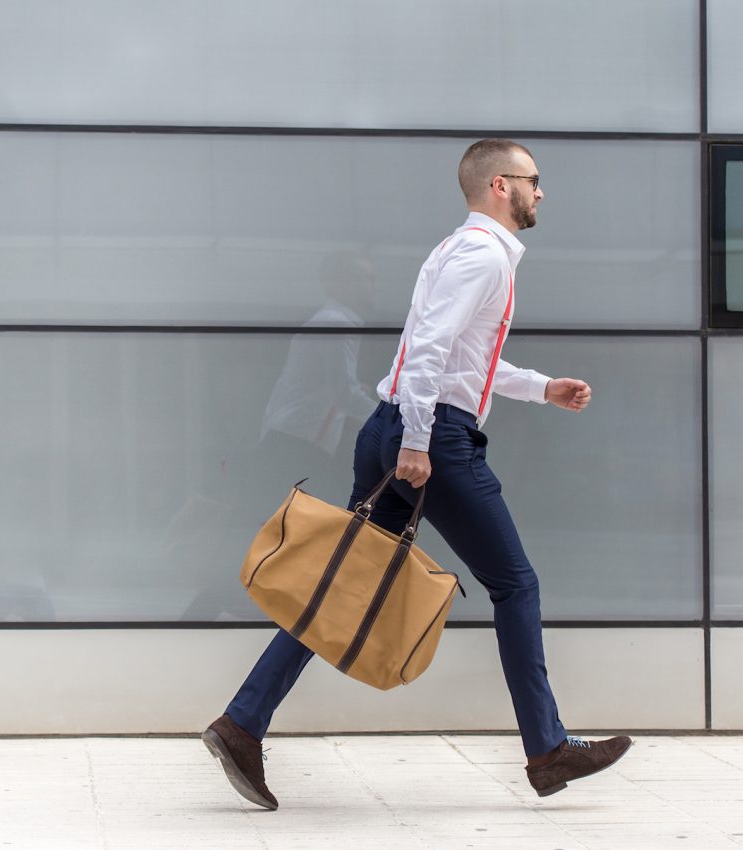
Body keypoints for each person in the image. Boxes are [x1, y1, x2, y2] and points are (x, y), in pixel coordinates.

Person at [203, 139, 632, 810]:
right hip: (429, 438)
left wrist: (541, 387)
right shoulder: (483, 254)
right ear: (499, 186)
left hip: (399, 423)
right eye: (533, 180)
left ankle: (242, 723)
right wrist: (419, 439)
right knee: (515, 585)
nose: (541, 192)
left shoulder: (462, 251)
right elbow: (430, 349)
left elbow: (463, 358)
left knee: (345, 575)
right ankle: (546, 750)